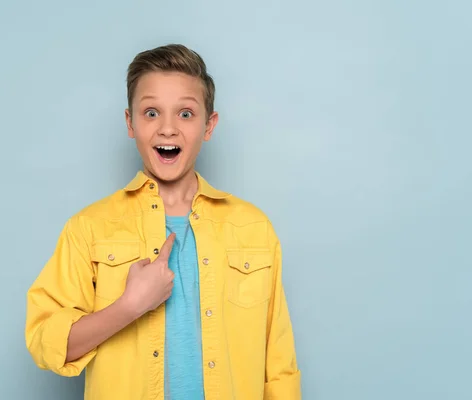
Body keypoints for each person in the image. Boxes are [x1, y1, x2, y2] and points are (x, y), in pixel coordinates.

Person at [25, 44, 301, 400]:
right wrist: (129, 306)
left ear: (209, 125)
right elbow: (46, 343)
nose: (168, 129)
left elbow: (279, 366)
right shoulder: (89, 228)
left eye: (185, 114)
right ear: (130, 123)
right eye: (151, 112)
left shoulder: (253, 227)